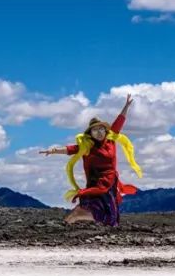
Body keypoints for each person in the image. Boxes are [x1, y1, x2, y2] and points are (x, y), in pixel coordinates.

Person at [39, 94, 142, 226]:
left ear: (106, 131)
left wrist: (126, 106)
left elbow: (118, 122)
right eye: (95, 130)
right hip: (95, 186)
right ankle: (69, 221)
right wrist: (53, 150)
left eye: (101, 129)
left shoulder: (110, 141)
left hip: (108, 183)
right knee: (106, 217)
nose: (99, 132)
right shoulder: (87, 146)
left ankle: (71, 219)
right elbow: (71, 149)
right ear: (90, 133)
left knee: (111, 217)